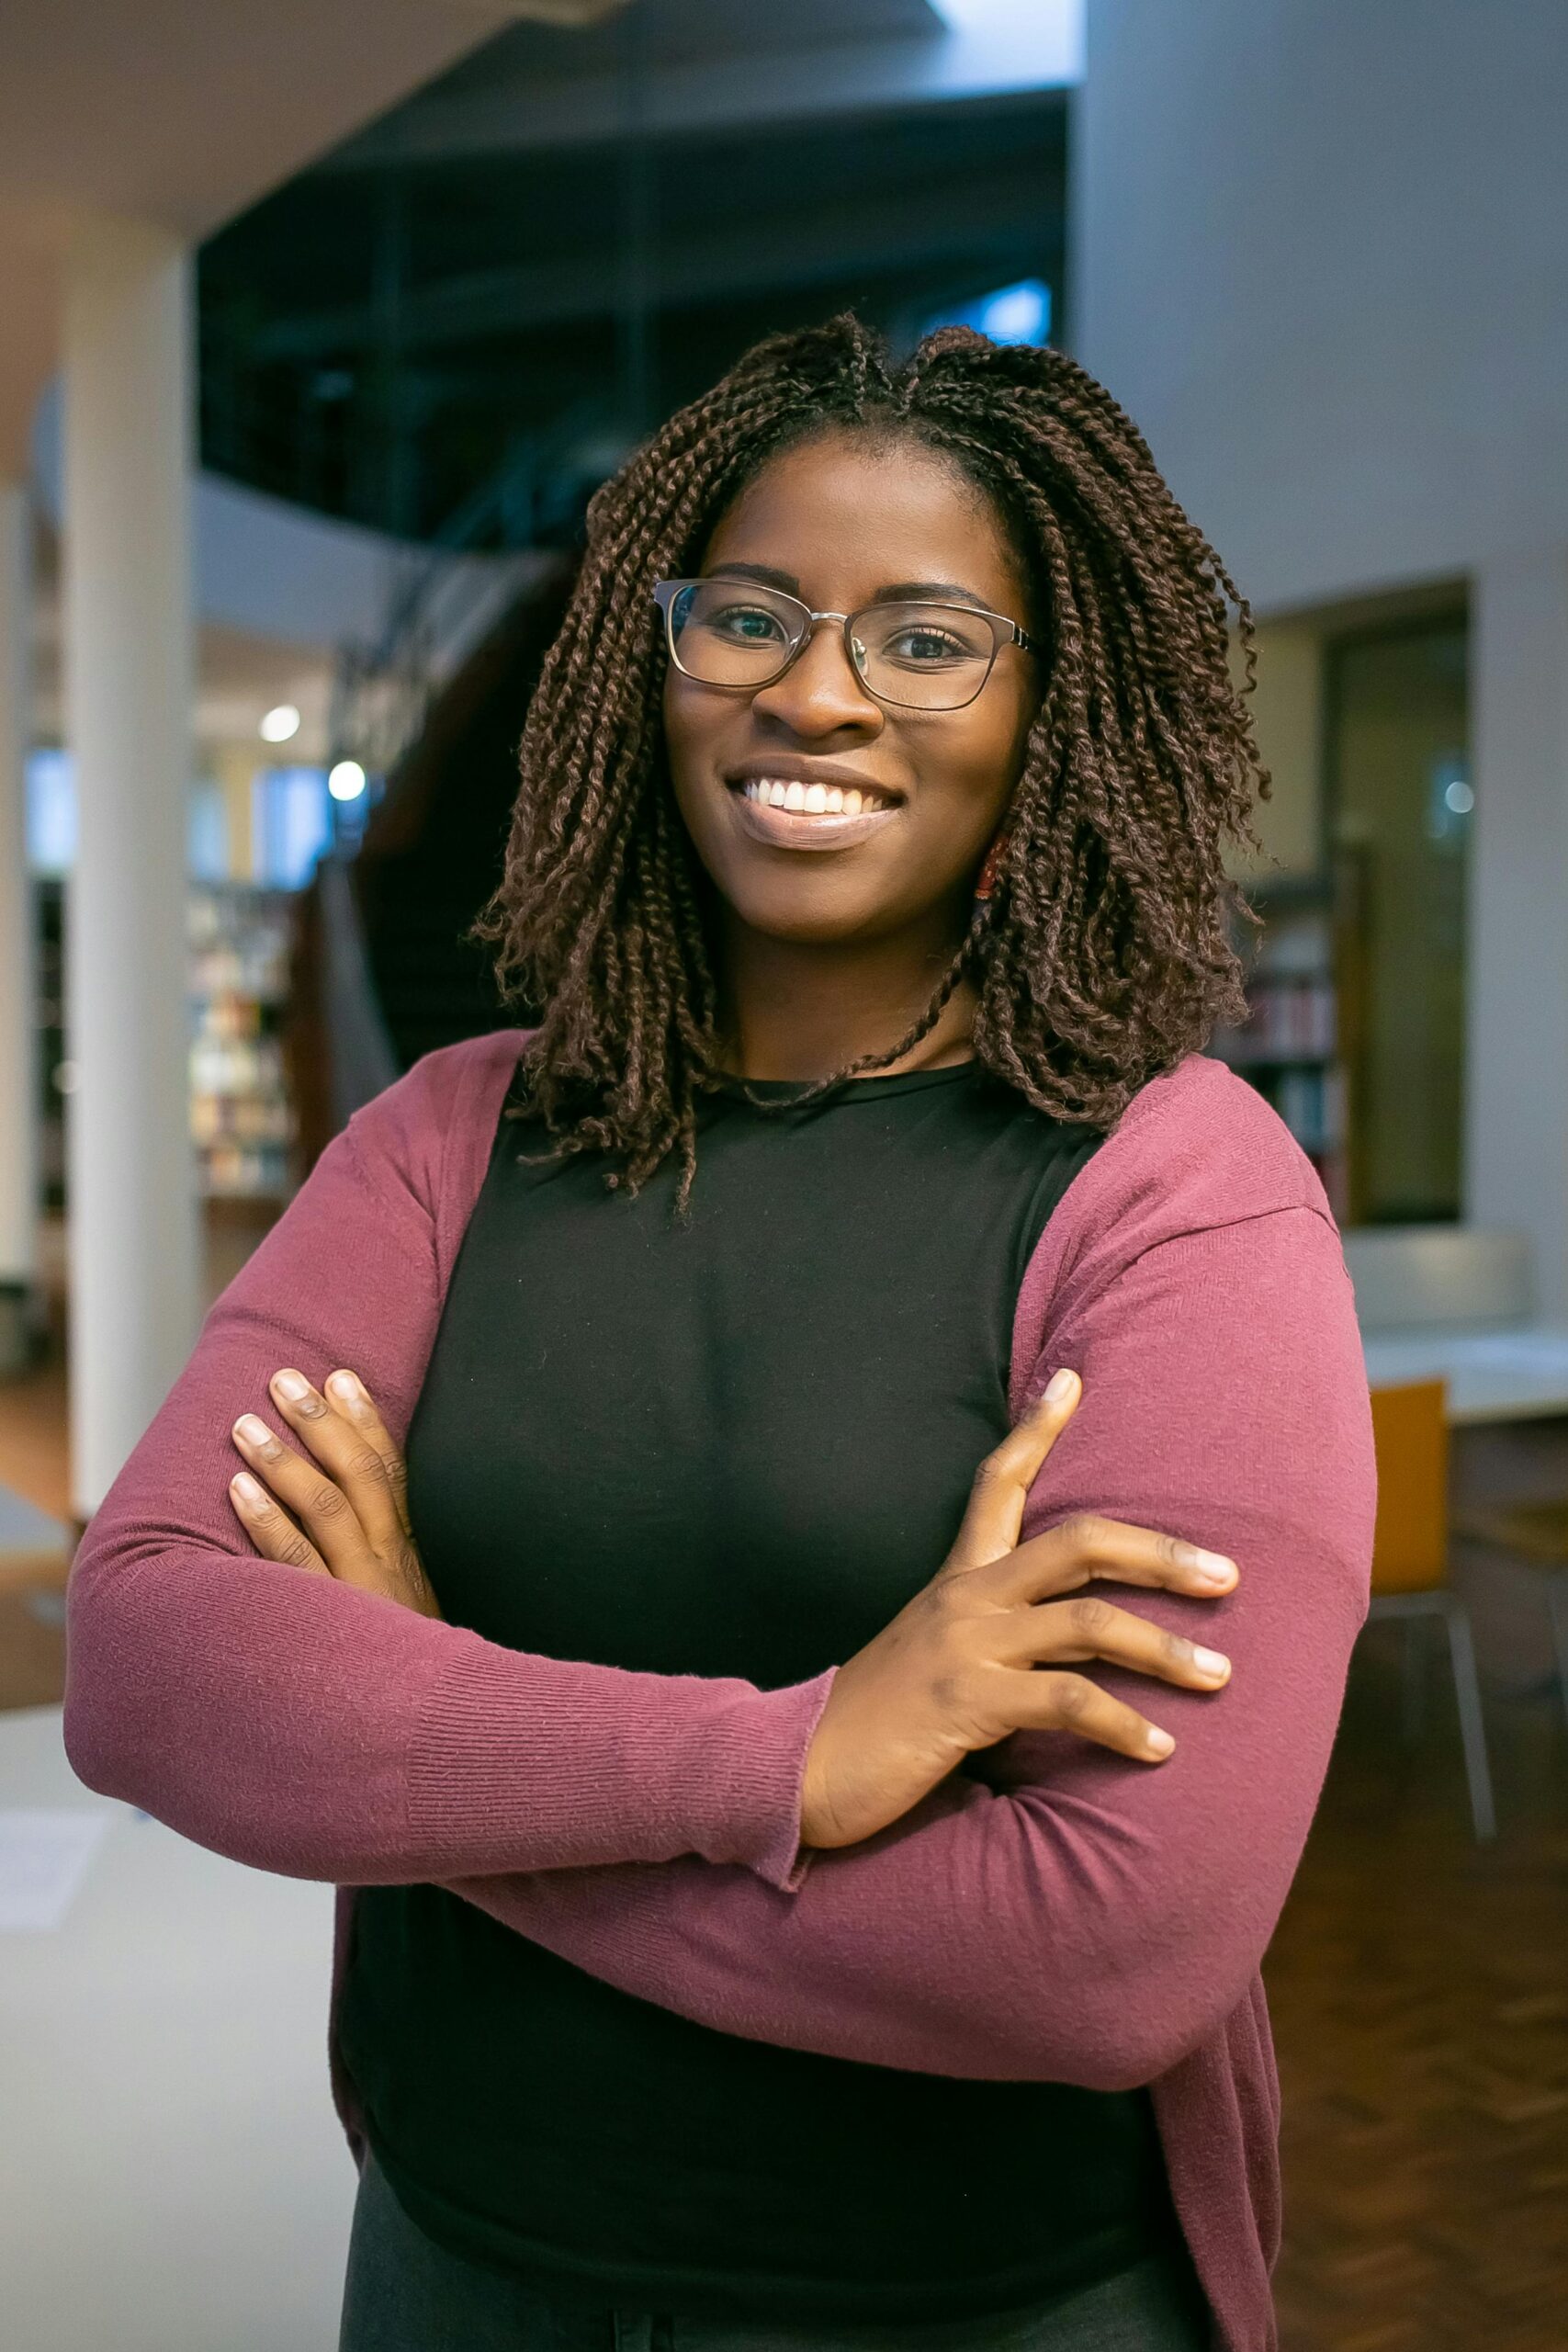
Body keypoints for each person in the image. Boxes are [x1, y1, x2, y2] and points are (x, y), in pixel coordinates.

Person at [63, 315, 1375, 2352]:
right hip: (462, 2260)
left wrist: (423, 1723)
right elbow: (145, 1659)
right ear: (651, 662)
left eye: (926, 637)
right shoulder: (446, 1139)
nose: (817, 691)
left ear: (1052, 713)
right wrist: (790, 1754)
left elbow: (1103, 1955)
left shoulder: (1166, 1190)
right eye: (747, 612)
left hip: (978, 2300)